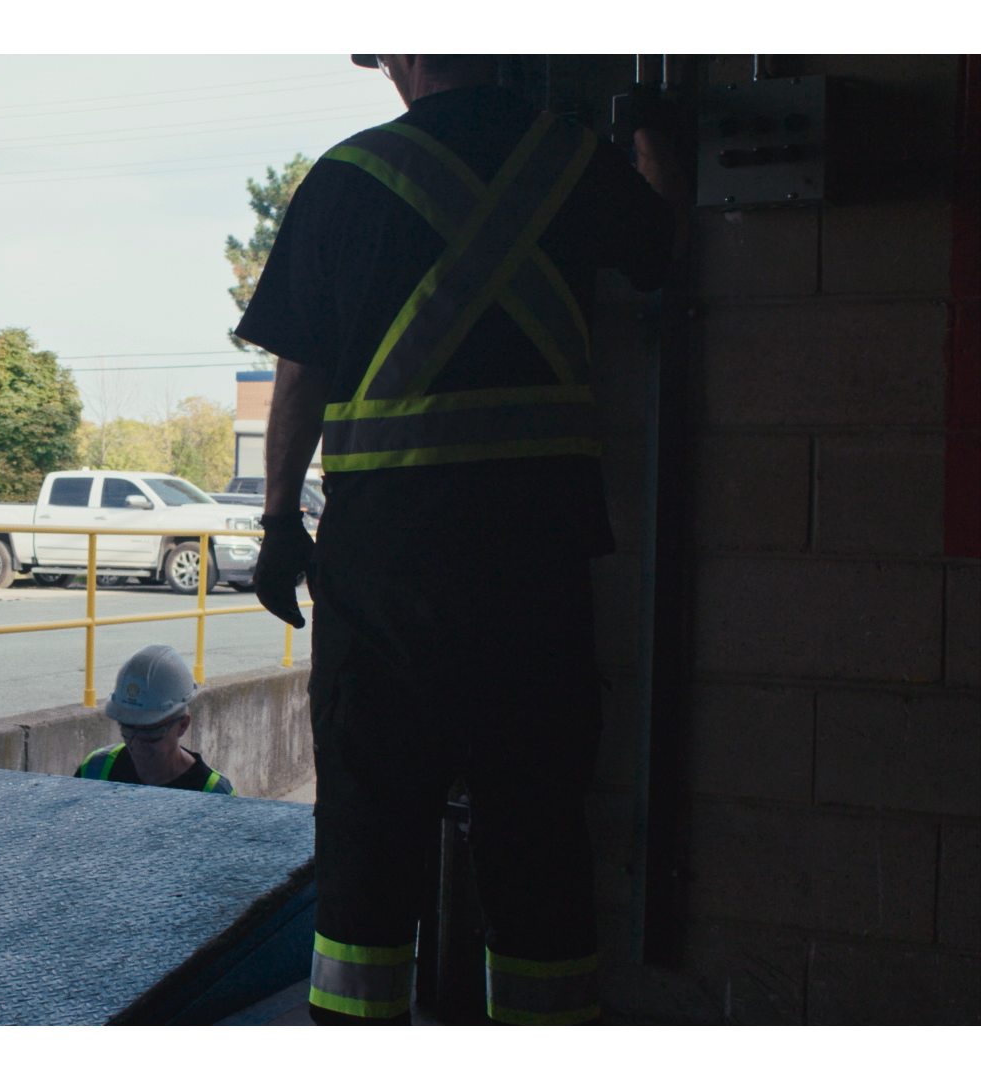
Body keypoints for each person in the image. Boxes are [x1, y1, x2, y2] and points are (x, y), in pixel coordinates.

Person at [237, 33, 684, 1047]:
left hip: (385, 576)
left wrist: (275, 526)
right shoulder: (573, 163)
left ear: (400, 49)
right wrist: (658, 128)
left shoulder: (345, 181)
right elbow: (660, 244)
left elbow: (299, 381)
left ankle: (355, 1040)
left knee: (370, 826)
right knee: (536, 828)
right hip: (536, 570)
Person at [75, 644, 235, 795]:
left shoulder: (215, 794)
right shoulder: (95, 770)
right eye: (127, 728)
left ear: (182, 725)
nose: (136, 743)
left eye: (149, 732)